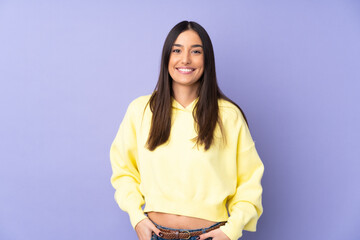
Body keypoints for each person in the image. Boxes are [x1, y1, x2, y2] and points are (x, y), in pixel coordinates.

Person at [109, 20, 264, 240]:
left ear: (206, 59)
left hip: (210, 235)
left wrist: (231, 231)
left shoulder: (228, 115)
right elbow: (123, 172)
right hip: (155, 234)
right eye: (177, 50)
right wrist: (137, 218)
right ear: (166, 57)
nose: (185, 59)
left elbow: (249, 182)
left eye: (196, 51)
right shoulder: (140, 111)